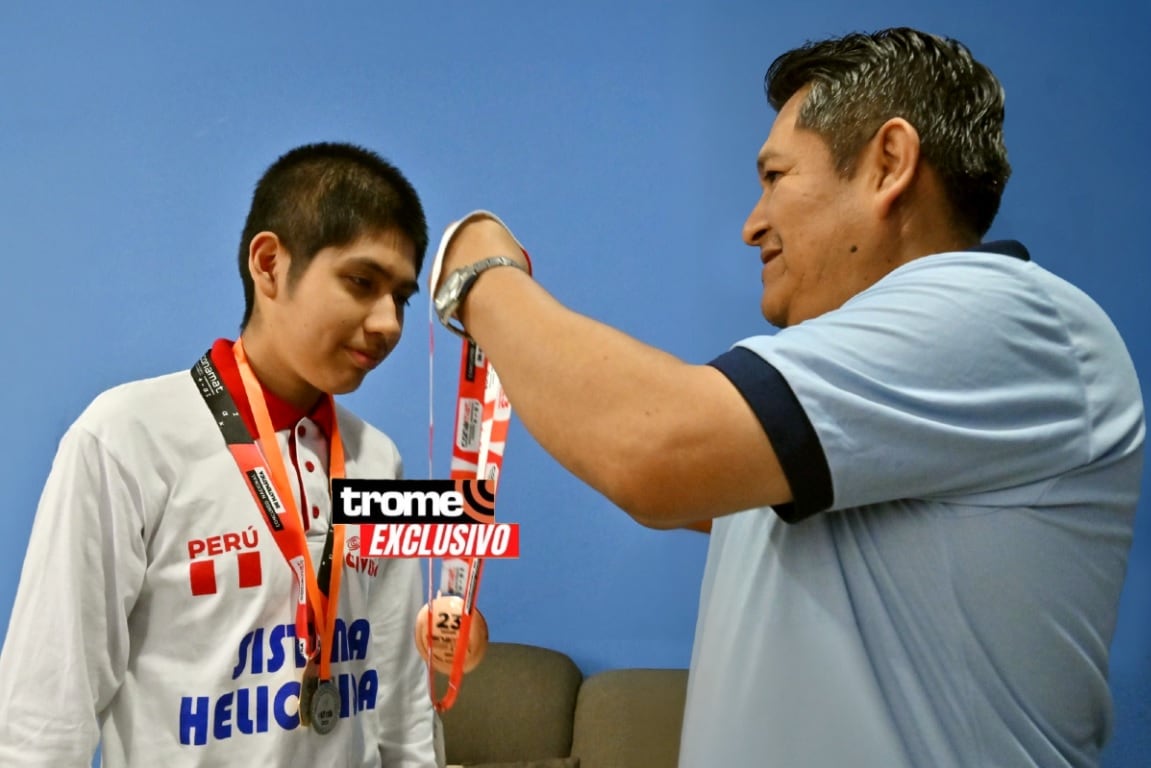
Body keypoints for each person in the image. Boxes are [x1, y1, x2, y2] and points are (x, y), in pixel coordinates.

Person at [428, 28, 1145, 768]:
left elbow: (649, 450)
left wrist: (479, 270)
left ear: (888, 164)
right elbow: (679, 470)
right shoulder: (877, 411)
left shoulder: (1008, 317)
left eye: (774, 176)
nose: (751, 223)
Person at [0, 143, 439, 767]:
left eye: (401, 297)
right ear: (269, 265)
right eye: (362, 282)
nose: (389, 323)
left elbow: (400, 697)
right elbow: (44, 716)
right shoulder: (126, 438)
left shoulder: (378, 460)